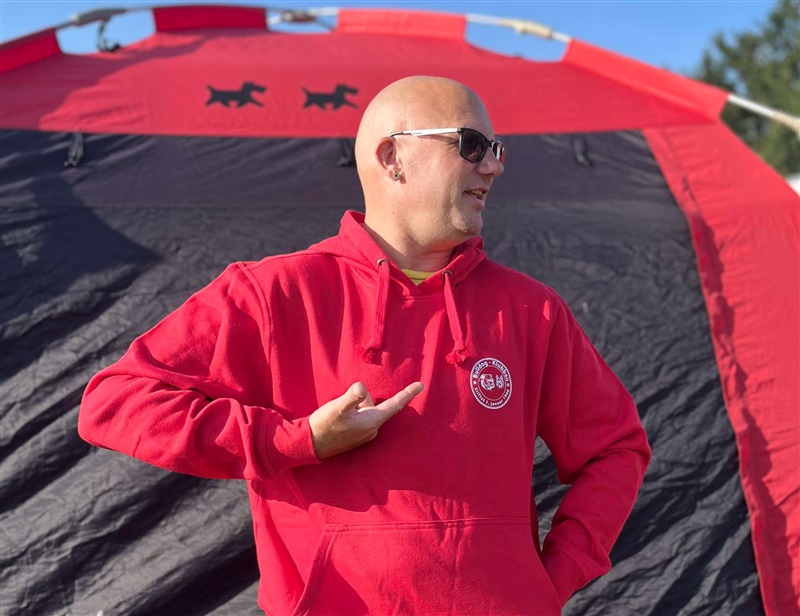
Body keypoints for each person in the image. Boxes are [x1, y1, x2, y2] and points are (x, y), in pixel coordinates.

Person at [79, 76, 651, 615]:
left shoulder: (532, 310)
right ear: (391, 156)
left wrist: (550, 580)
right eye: (472, 145)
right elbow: (115, 402)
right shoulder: (273, 292)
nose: (494, 166)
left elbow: (616, 448)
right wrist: (296, 440)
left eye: (497, 148)